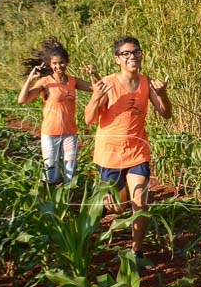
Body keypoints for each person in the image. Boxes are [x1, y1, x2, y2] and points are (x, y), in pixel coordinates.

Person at [84, 36, 172, 261]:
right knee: (118, 207)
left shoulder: (146, 82)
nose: (132, 56)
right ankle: (95, 212)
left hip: (137, 151)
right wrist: (95, 97)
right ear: (117, 59)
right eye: (126, 53)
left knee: (140, 202)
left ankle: (136, 252)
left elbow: (165, 113)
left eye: (136, 52)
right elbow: (88, 119)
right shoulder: (108, 83)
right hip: (110, 154)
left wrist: (162, 94)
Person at [17, 39, 93, 185]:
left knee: (70, 171)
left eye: (62, 62)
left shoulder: (72, 81)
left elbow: (96, 88)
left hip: (69, 132)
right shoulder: (45, 82)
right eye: (55, 63)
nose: (59, 66)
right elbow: (22, 99)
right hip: (50, 133)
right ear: (50, 65)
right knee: (51, 173)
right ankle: (52, 201)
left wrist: (93, 74)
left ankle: (68, 199)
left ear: (66, 62)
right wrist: (30, 79)